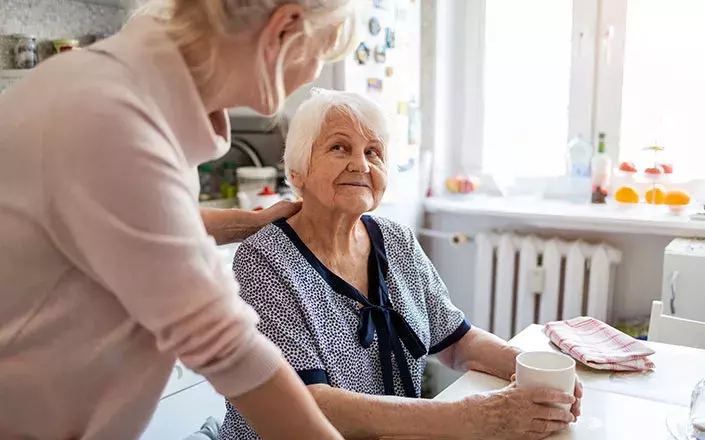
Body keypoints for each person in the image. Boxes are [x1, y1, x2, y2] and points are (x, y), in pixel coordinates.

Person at [0, 1, 359, 439]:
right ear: (283, 30)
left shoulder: (133, 90)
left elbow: (150, 218)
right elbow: (228, 348)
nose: (313, 73)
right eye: (321, 53)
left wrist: (251, 221)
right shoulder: (112, 119)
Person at [221, 89, 584, 440]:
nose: (361, 164)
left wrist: (530, 370)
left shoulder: (396, 241)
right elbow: (306, 405)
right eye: (339, 147)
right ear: (298, 171)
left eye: (374, 152)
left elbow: (458, 341)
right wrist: (471, 417)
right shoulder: (264, 261)